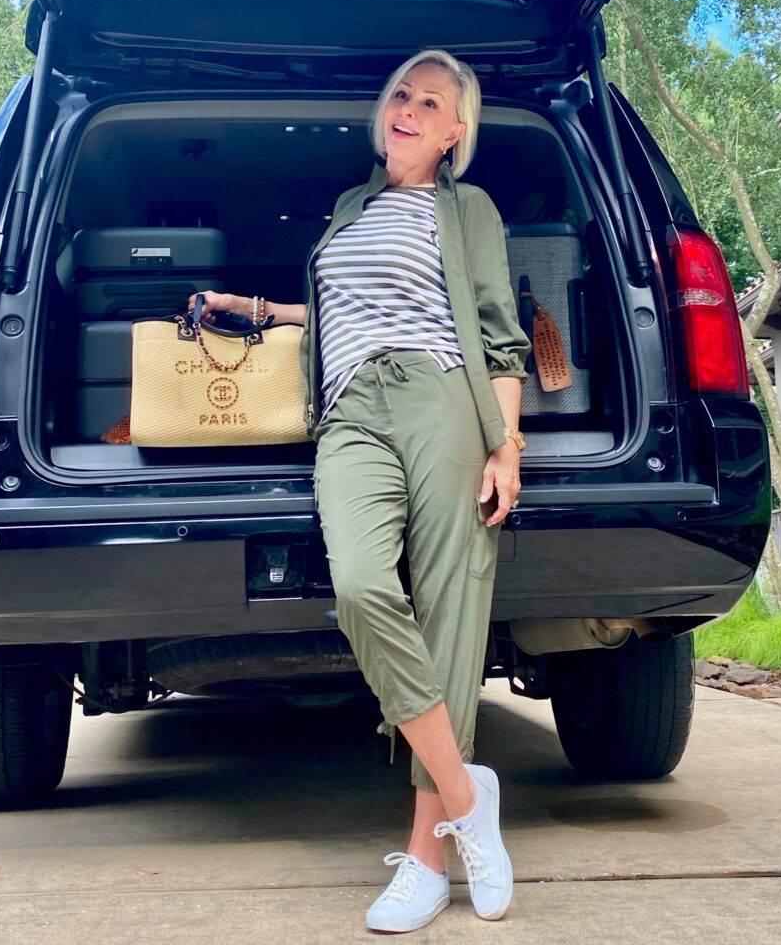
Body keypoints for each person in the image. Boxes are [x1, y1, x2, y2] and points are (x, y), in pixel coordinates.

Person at [190, 50, 531, 933]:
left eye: (430, 102)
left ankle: (426, 858)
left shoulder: (466, 209)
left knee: (453, 607)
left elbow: (499, 333)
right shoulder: (350, 211)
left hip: (439, 395)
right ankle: (468, 796)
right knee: (361, 586)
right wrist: (256, 310)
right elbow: (339, 307)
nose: (408, 110)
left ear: (457, 131)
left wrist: (507, 446)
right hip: (348, 411)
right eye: (400, 97)